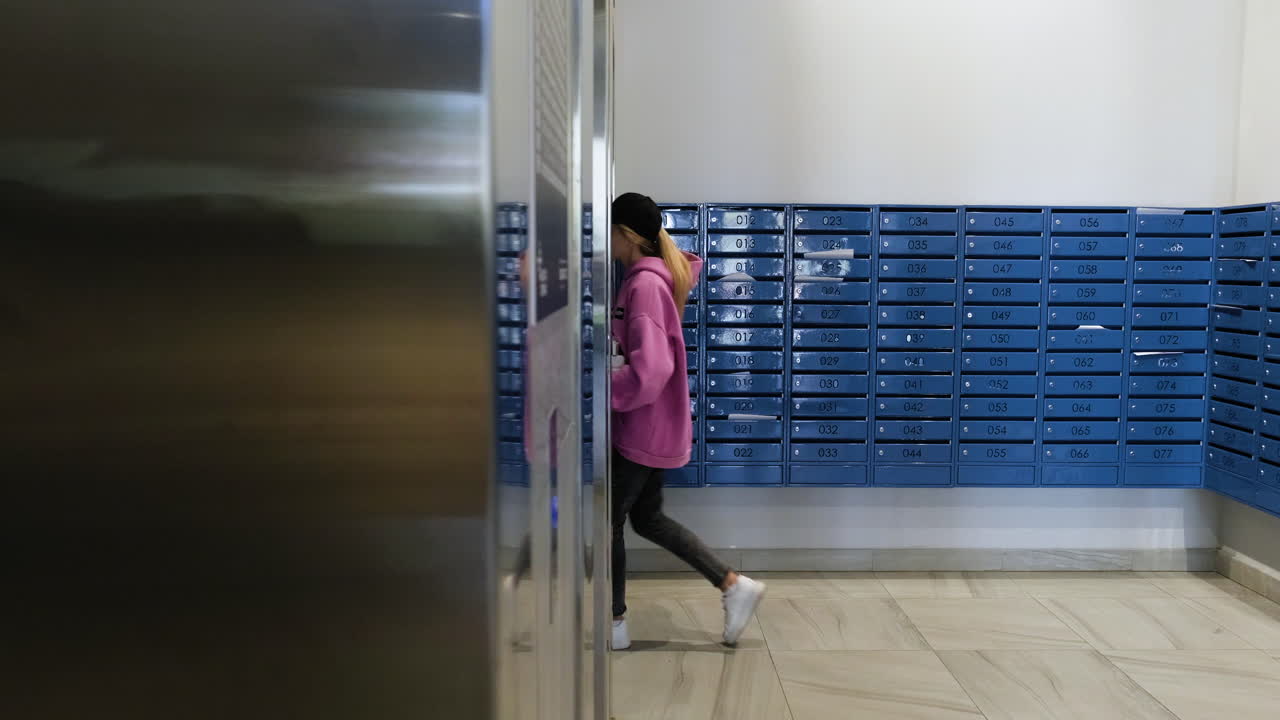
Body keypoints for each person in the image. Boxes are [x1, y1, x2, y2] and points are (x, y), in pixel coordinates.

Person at [608, 192, 766, 650]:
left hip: (642, 425)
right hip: (649, 424)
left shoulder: (644, 286)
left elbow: (653, 370)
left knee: (608, 521)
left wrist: (609, 390)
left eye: (610, 232)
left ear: (627, 235)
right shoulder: (644, 279)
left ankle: (614, 622)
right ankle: (734, 586)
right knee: (648, 519)